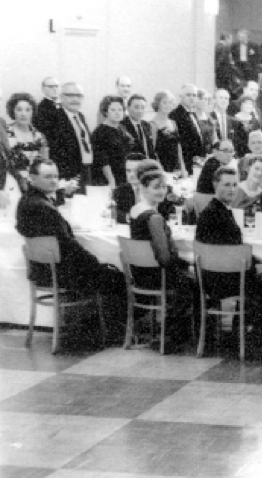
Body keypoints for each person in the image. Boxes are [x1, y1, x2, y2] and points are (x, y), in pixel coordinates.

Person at [16, 159, 125, 341]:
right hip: (60, 273)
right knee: (117, 277)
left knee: (108, 274)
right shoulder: (43, 207)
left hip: (40, 271)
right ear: (32, 178)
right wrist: (95, 264)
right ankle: (110, 331)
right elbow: (68, 245)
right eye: (47, 177)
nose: (54, 181)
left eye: (56, 176)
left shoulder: (26, 202)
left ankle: (97, 327)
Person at [128, 167, 195, 339]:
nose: (162, 191)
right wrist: (186, 265)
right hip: (158, 276)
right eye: (156, 187)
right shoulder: (154, 218)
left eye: (164, 187)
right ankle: (178, 335)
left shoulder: (135, 211)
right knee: (197, 281)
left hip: (140, 274)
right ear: (144, 189)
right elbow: (164, 258)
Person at [34, 82, 94, 187]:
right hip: (66, 176)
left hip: (86, 171)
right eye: (70, 95)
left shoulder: (80, 116)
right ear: (61, 97)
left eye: (78, 96)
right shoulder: (53, 118)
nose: (75, 99)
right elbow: (53, 150)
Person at [91, 96, 132, 188]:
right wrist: (111, 181)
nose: (117, 113)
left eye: (120, 110)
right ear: (106, 112)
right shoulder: (100, 132)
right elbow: (102, 161)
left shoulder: (122, 129)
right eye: (113, 110)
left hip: (123, 175)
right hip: (108, 178)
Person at [5, 92, 49, 174]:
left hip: (35, 180)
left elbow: (46, 166)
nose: (23, 114)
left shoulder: (40, 137)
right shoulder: (4, 133)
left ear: (33, 112)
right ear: (13, 111)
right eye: (19, 110)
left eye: (28, 110)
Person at [151, 91, 188, 178]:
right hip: (162, 169)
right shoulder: (152, 124)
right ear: (158, 104)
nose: (168, 105)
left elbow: (178, 147)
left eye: (170, 102)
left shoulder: (173, 123)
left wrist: (183, 168)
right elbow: (153, 151)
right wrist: (161, 172)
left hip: (176, 169)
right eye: (165, 102)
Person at [169, 85, 206, 174]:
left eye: (194, 95)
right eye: (188, 95)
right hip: (184, 165)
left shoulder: (193, 114)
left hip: (197, 163)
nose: (192, 98)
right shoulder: (174, 115)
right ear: (181, 96)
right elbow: (177, 144)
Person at [122, 94, 156, 161]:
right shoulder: (121, 126)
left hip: (149, 164)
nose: (140, 111)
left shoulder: (147, 125)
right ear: (128, 108)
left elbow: (151, 150)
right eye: (136, 107)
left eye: (142, 107)